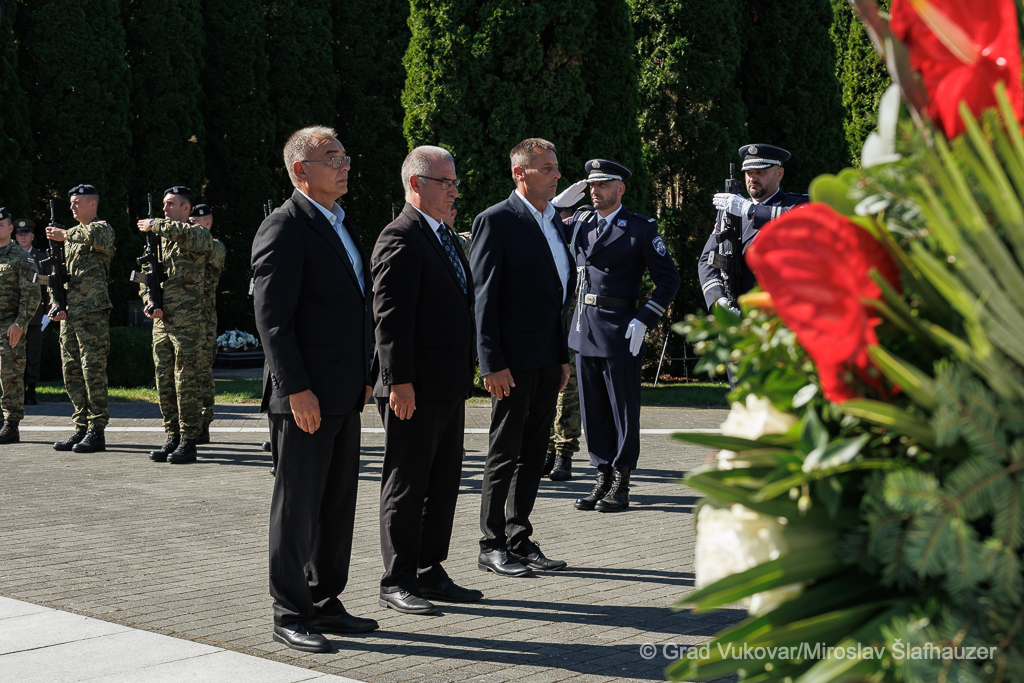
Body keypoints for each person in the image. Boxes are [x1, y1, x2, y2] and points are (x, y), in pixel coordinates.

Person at [251, 126, 376, 653]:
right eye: (332, 157)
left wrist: (367, 374)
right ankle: (289, 611)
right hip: (305, 397)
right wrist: (297, 389)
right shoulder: (284, 226)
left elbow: (357, 307)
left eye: (345, 156)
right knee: (297, 507)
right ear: (301, 170)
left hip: (344, 393)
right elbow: (272, 320)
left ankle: (324, 599)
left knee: (335, 505)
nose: (344, 165)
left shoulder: (341, 223)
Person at [371, 146, 481, 615]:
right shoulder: (400, 236)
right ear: (415, 184)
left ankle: (429, 569)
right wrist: (399, 381)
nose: (454, 191)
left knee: (443, 481)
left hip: (447, 384)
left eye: (455, 182)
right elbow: (390, 318)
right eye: (445, 182)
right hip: (412, 388)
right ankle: (397, 579)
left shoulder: (445, 234)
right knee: (407, 482)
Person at [470, 138, 574, 577]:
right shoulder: (496, 220)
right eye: (546, 168)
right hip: (511, 363)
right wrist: (491, 362)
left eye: (556, 167)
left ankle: (518, 536)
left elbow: (557, 295)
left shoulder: (555, 221)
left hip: (548, 358)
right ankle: (491, 543)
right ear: (520, 173)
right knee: (505, 451)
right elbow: (484, 298)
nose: (556, 175)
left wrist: (562, 356)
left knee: (534, 452)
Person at [563, 160, 680, 512]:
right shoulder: (580, 222)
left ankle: (622, 481)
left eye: (603, 184)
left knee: (622, 410)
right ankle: (601, 475)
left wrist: (645, 318)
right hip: (585, 327)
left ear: (620, 188)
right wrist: (556, 206)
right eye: (592, 185)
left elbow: (669, 280)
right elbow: (542, 229)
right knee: (593, 408)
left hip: (620, 329)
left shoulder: (640, 229)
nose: (595, 190)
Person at [137, 186, 213, 464]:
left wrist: (154, 224)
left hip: (188, 322)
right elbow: (146, 277)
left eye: (171, 204)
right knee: (165, 380)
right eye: (163, 204)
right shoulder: (157, 241)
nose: (165, 209)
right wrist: (148, 300)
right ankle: (172, 435)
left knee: (186, 380)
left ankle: (189, 439)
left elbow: (190, 236)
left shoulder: (197, 234)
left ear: (186, 209)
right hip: (162, 322)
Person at [698, 144, 807, 311]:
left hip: (781, 312)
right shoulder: (730, 211)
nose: (753, 178)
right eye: (749, 173)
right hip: (738, 313)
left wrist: (751, 211)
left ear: (779, 174)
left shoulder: (798, 205)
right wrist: (718, 301)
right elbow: (707, 260)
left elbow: (798, 222)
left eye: (760, 172)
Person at [50, 185, 115, 454]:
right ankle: (81, 426)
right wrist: (56, 303)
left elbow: (93, 236)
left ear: (92, 204)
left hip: (92, 313)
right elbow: (59, 275)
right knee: (72, 371)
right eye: (71, 203)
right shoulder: (70, 237)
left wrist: (64, 235)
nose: (72, 207)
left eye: (77, 202)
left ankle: (96, 430)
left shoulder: (102, 229)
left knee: (92, 371)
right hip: (71, 313)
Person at [0, 207, 40, 444]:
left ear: (10, 228)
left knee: (10, 375)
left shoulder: (21, 256)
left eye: (1, 225)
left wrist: (19, 323)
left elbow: (31, 294)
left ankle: (11, 424)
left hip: (8, 325)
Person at [190, 204, 226, 445]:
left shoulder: (215, 246)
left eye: (195, 223)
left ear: (208, 223)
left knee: (202, 372)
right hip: (180, 319)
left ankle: (204, 422)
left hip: (204, 319)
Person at [14, 219, 47, 406]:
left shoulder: (42, 257)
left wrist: (48, 312)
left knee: (33, 353)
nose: (23, 237)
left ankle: (31, 390)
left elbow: (49, 286)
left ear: (33, 236)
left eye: (26, 234)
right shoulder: (9, 256)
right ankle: (16, 390)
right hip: (13, 316)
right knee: (14, 354)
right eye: (20, 235)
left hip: (36, 315)